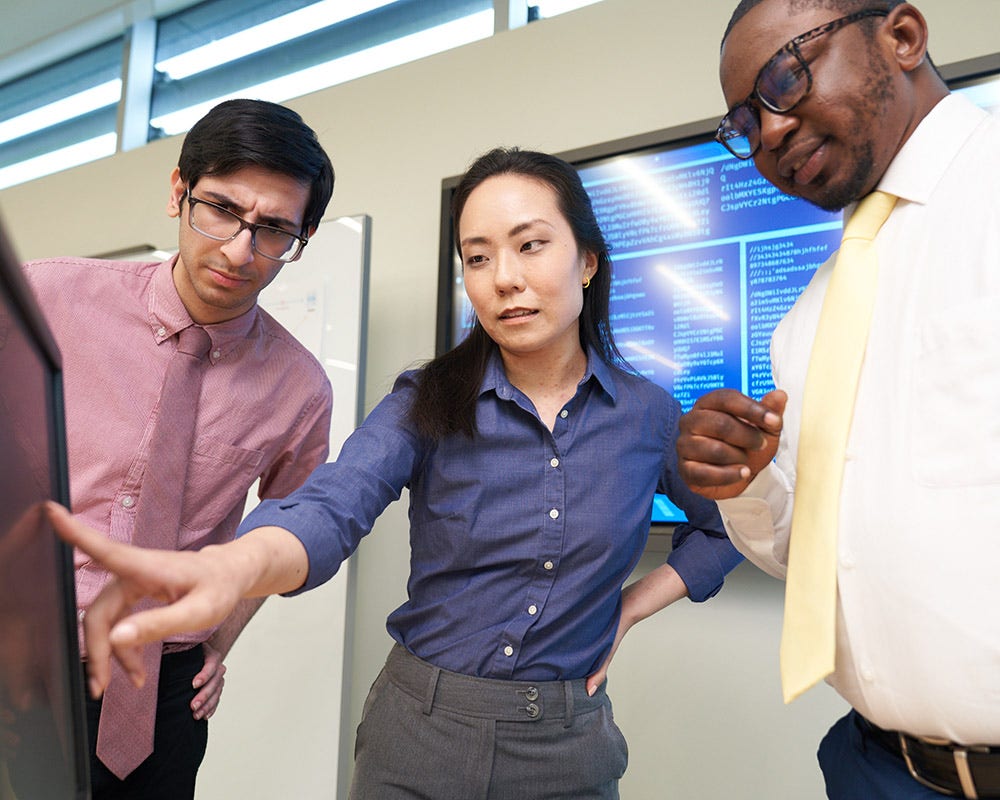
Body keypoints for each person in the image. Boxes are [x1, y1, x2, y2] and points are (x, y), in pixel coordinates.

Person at [50, 146, 743, 799]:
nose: (504, 278)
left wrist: (625, 610)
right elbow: (334, 501)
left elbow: (722, 533)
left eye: (531, 245)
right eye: (478, 257)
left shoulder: (649, 416)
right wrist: (238, 564)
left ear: (587, 260)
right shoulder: (426, 398)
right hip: (419, 733)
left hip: (568, 747)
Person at [675, 1, 1000, 798]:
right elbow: (801, 553)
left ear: (902, 36)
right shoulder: (807, 320)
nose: (770, 134)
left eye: (786, 78)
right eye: (746, 124)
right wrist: (746, 482)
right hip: (876, 768)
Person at [23, 98, 335, 799]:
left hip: (159, 693)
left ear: (302, 235)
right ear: (178, 192)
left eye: (274, 229)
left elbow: (285, 531)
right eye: (220, 209)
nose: (237, 250)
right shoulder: (51, 299)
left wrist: (219, 638)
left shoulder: (299, 390)